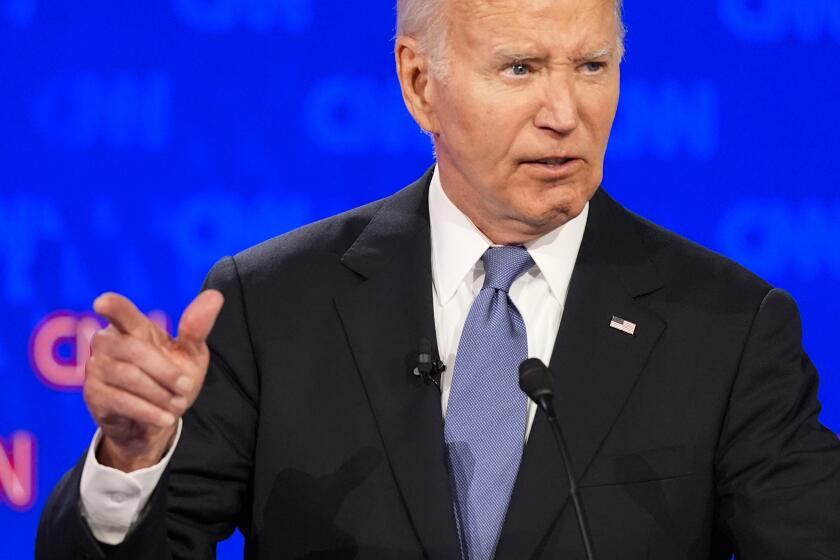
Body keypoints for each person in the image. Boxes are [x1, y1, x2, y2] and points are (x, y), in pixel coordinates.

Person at [37, 0, 840, 558]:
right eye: (521, 68)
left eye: (593, 65)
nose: (565, 110)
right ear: (422, 85)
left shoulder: (728, 328)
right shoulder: (274, 304)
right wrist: (135, 458)